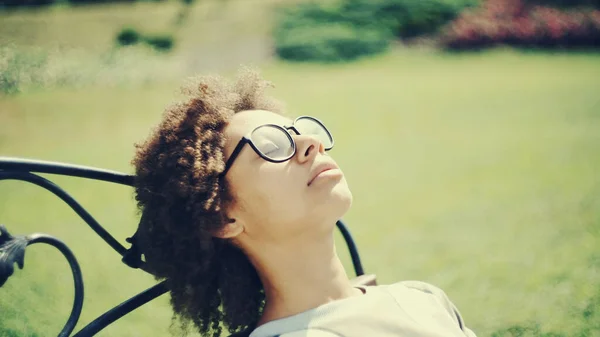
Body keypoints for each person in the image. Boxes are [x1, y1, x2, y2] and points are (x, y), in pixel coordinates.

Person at [131, 67, 477, 337]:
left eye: (300, 130)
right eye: (270, 145)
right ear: (222, 217)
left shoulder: (423, 299)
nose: (311, 142)